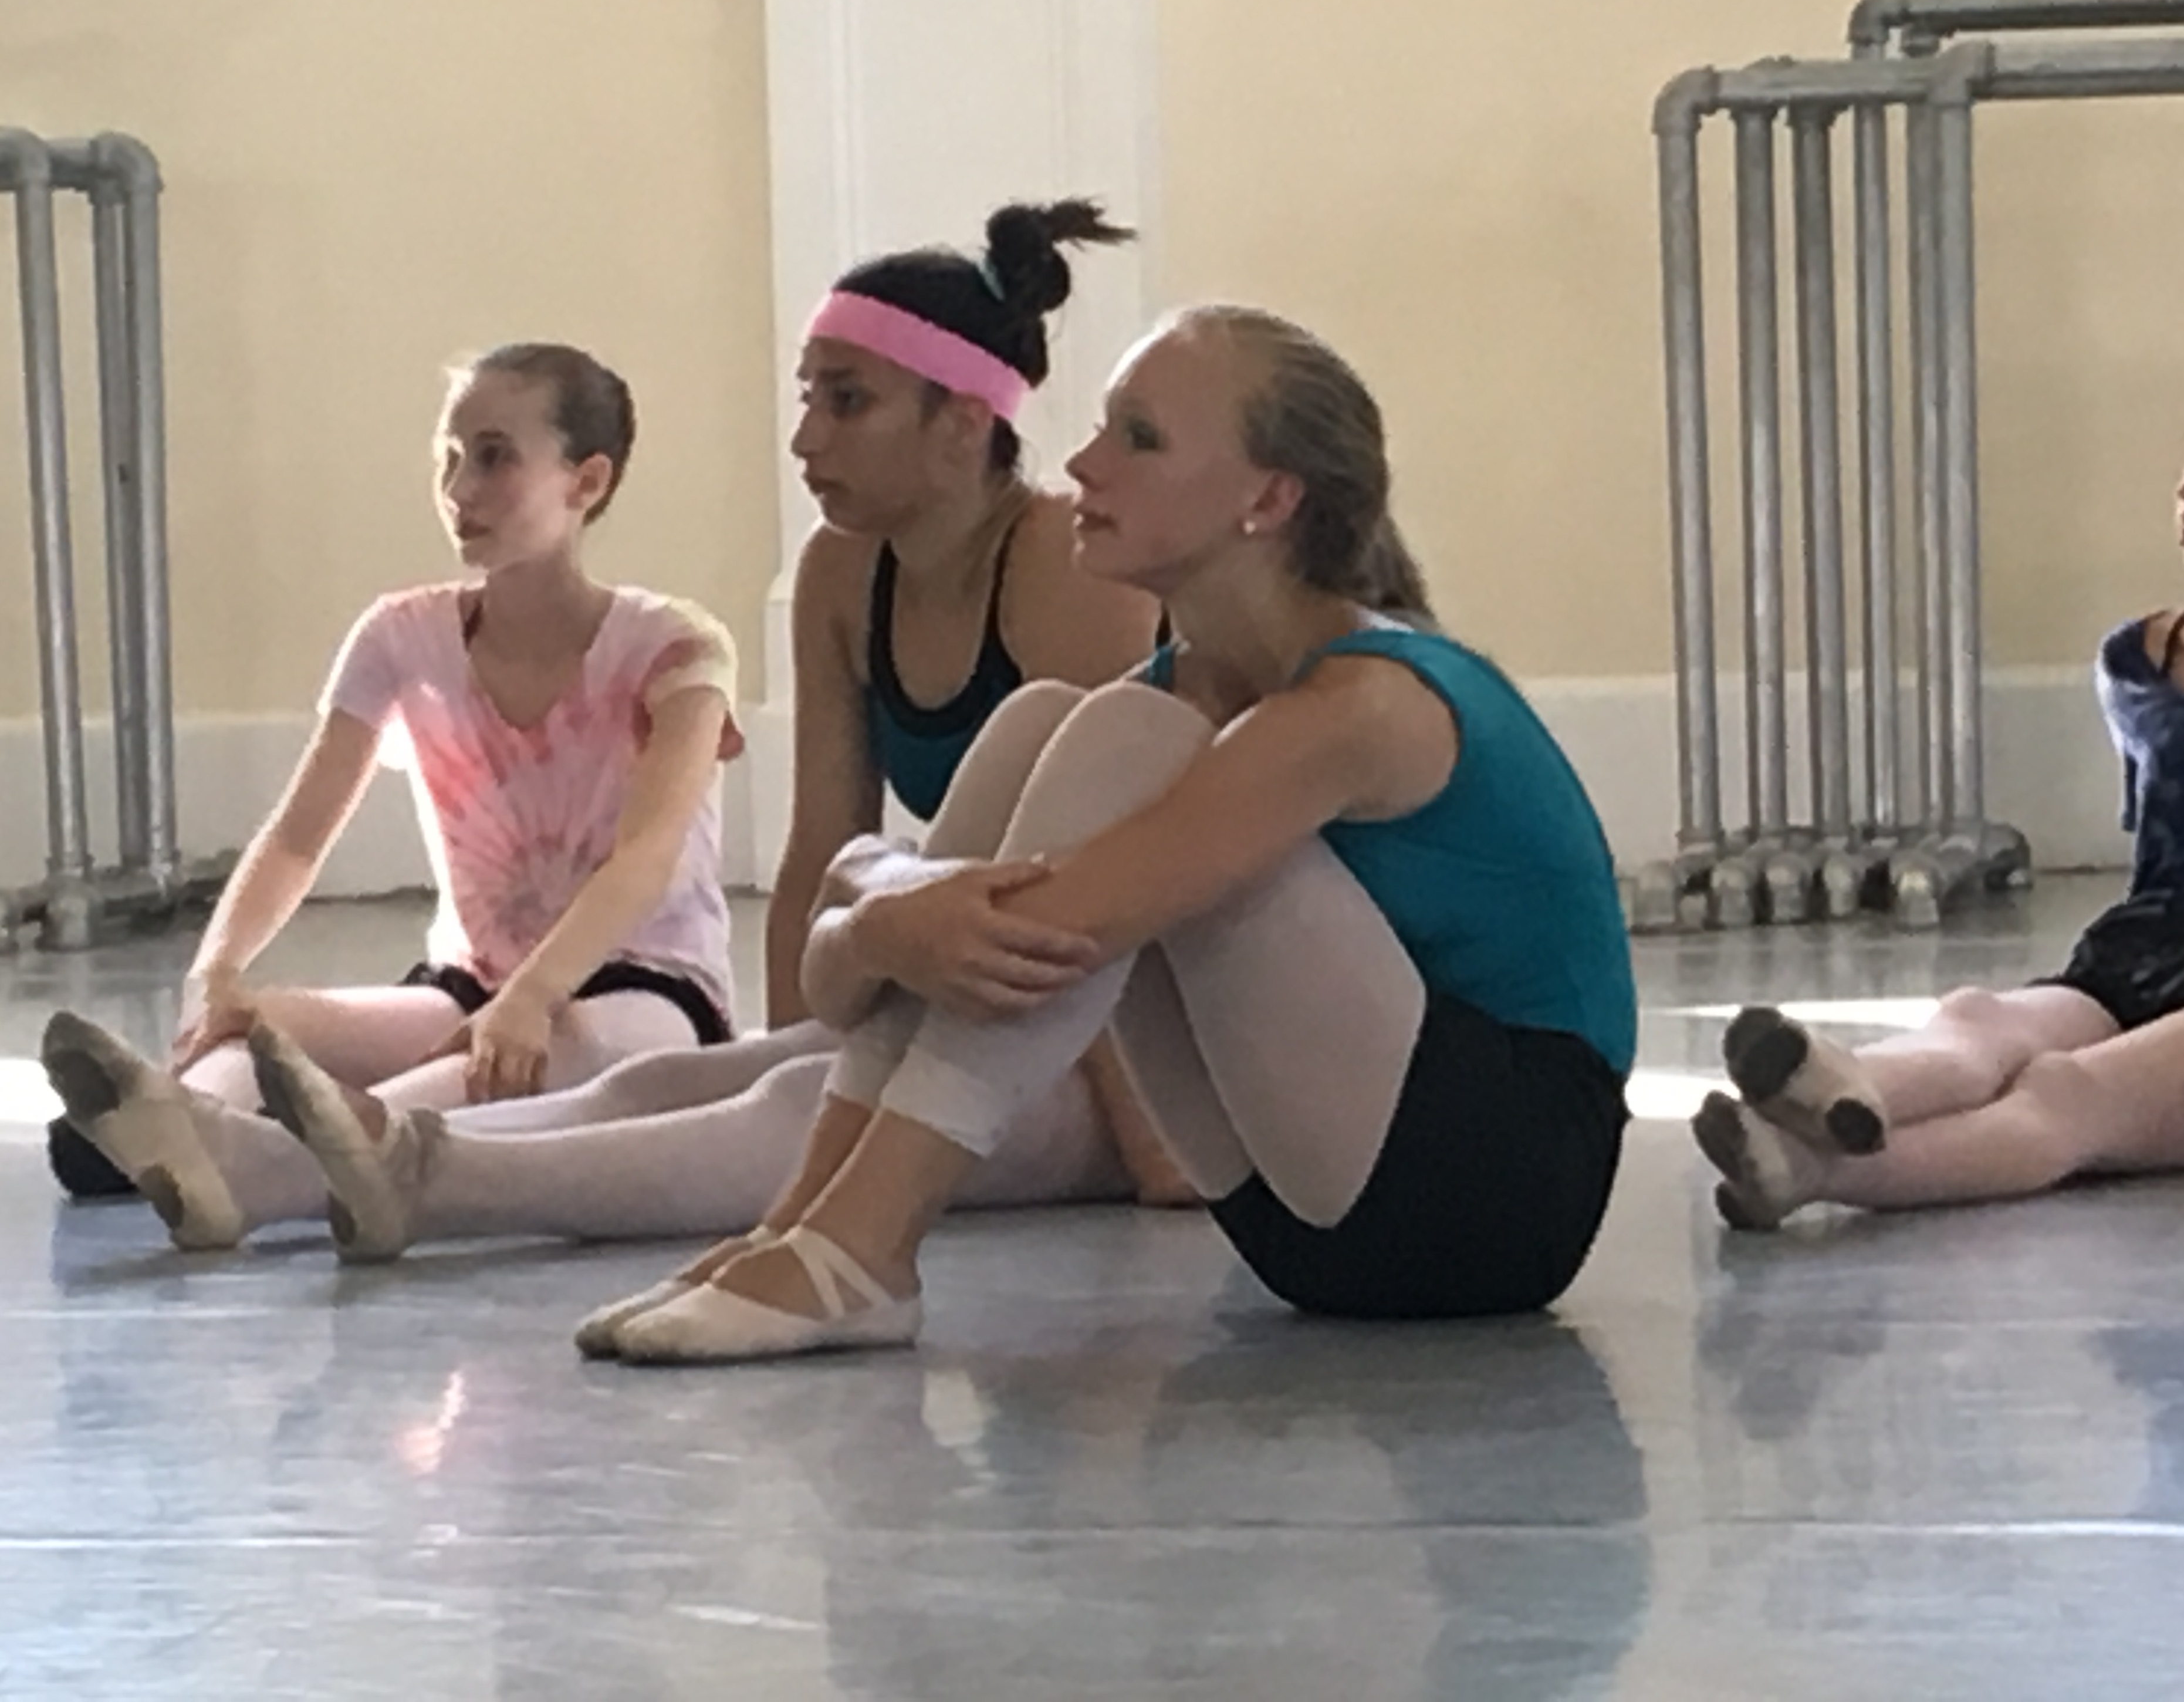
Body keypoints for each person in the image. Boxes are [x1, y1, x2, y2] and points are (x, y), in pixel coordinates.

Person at [459, 301, 1641, 1362]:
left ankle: (863, 1251)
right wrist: (882, 917)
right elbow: (848, 987)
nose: (1082, 464)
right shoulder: (1174, 696)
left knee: (1115, 747)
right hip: (1300, 1221)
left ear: (1270, 500)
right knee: (1050, 724)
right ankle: (804, 1230)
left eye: (1140, 438)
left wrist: (875, 902)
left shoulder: (1365, 703)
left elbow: (1037, 933)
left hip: (1483, 1212)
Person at [54, 205, 1189, 1262]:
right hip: (1001, 1005)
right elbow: (819, 854)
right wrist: (803, 1036)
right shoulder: (846, 572)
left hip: (1134, 1049)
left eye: (847, 402)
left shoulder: (1062, 567)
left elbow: (1106, 895)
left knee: (788, 1111)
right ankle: (274, 1162)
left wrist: (1163, 1142)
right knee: (684, 1089)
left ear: (963, 425)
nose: (804, 437)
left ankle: (351, 1173)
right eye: (806, 397)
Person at [42, 342, 742, 1244]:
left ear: (588, 480)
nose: (460, 488)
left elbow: (645, 859)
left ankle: (271, 1160)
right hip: (468, 989)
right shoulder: (400, 635)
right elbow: (298, 837)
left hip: (641, 995)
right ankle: (188, 1127)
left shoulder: (677, 648)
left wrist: (533, 999)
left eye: (495, 457)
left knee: (570, 1049)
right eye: (449, 458)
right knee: (256, 1027)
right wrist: (217, 976)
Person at [1695, 339, 2184, 1229]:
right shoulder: (2140, 660)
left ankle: (1817, 1173)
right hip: (2143, 948)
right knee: (1983, 1021)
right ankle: (1838, 1084)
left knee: (2069, 1094)